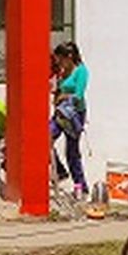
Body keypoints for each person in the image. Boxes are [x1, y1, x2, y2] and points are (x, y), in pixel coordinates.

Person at [50, 41, 89, 199]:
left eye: (61, 59)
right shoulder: (62, 71)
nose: (59, 62)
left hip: (74, 115)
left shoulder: (81, 71)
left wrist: (63, 96)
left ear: (70, 56)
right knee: (45, 136)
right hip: (60, 114)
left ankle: (80, 187)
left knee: (72, 153)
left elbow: (78, 96)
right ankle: (60, 171)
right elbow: (60, 90)